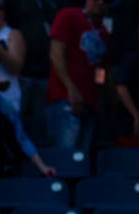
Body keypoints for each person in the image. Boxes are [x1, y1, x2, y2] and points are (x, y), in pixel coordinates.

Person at [46, 0, 110, 150]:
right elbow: (56, 54)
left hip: (90, 105)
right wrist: (71, 89)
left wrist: (99, 91)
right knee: (65, 157)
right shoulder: (68, 15)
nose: (101, 2)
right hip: (64, 100)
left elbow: (100, 68)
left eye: (106, 1)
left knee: (82, 160)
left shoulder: (104, 32)